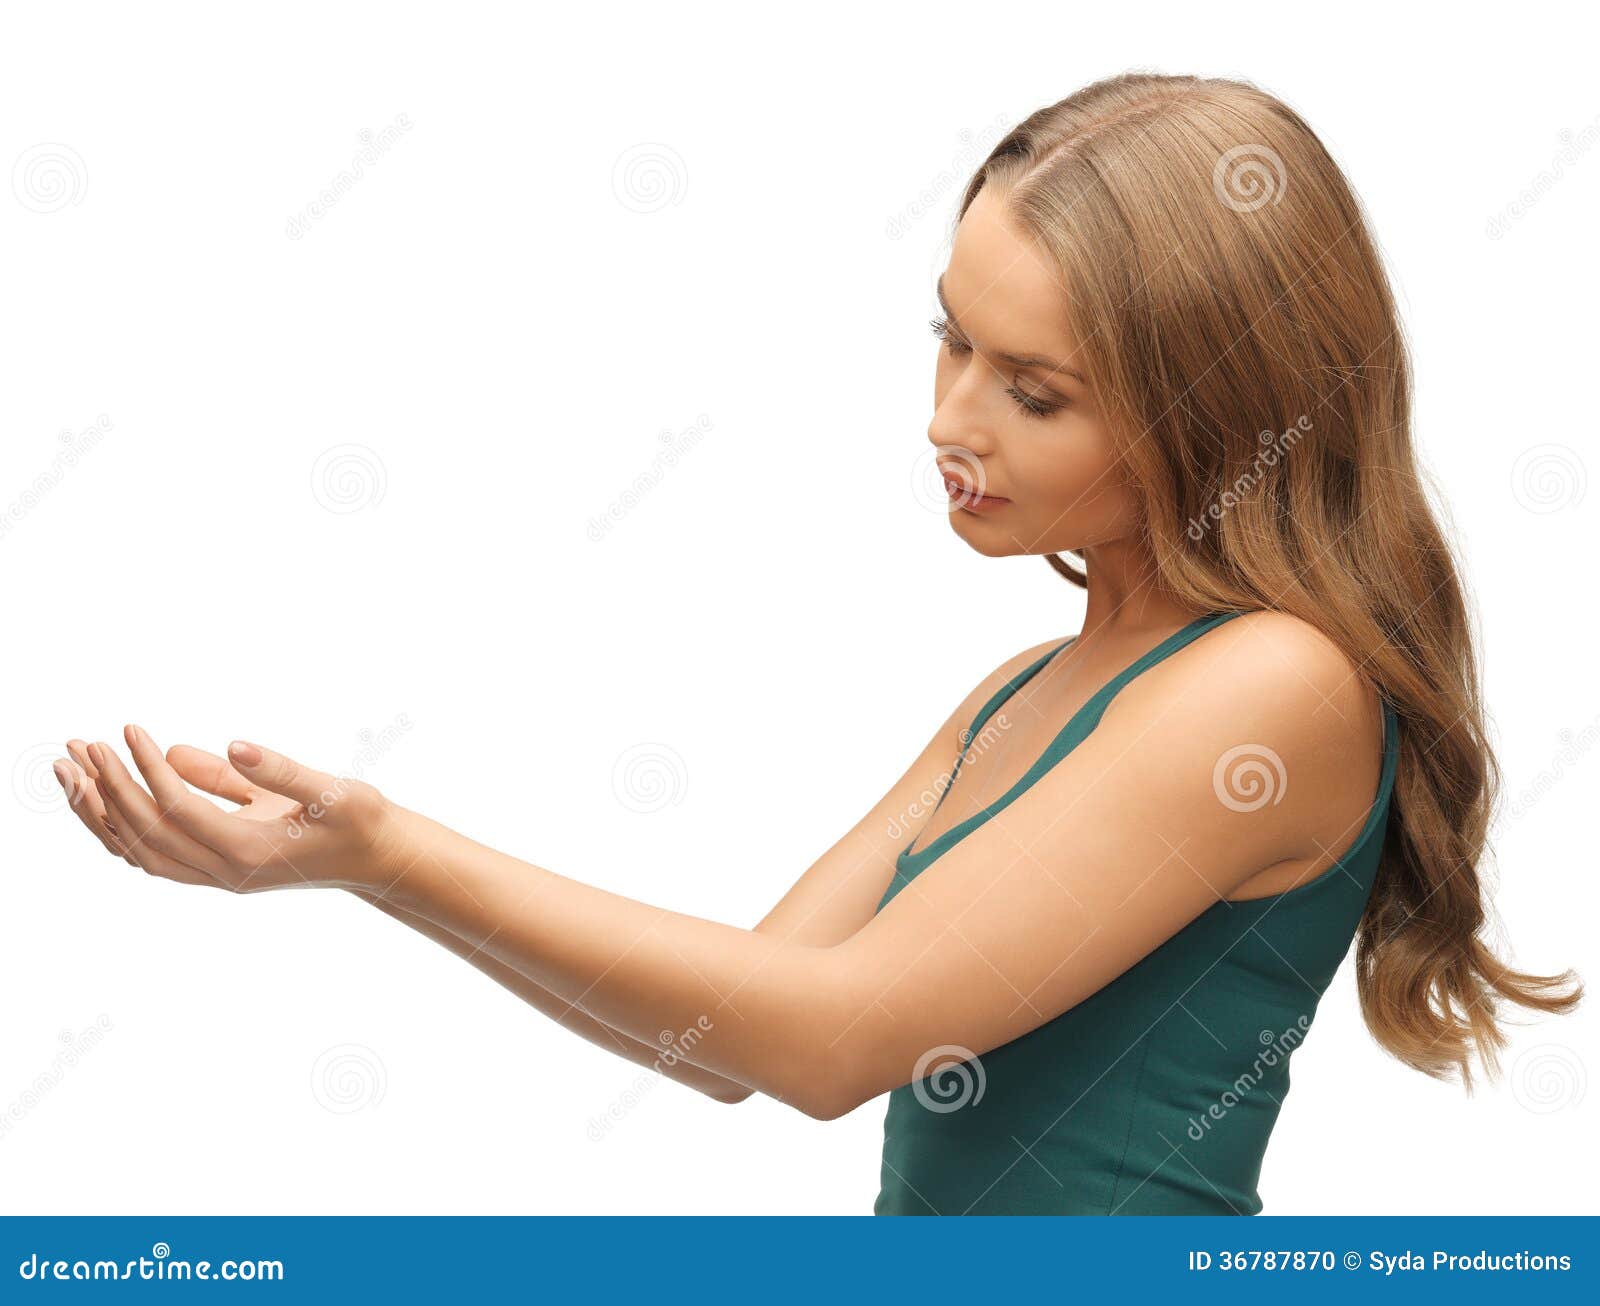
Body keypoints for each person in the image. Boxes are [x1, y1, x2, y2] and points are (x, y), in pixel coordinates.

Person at [53, 70, 1581, 1215]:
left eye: (1032, 391)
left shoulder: (1275, 687)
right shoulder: (1022, 696)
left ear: (1220, 406)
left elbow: (834, 1044)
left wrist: (392, 850)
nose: (950, 421)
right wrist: (353, 869)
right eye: (950, 339)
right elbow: (735, 1035)